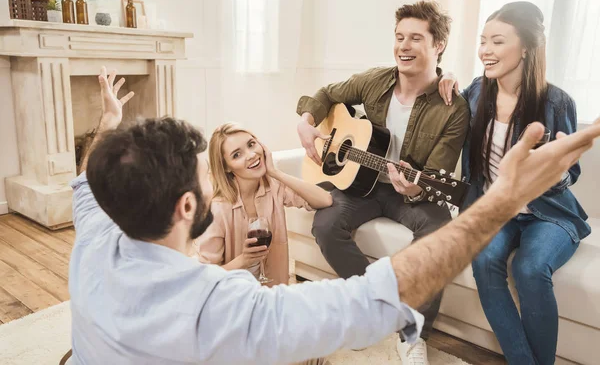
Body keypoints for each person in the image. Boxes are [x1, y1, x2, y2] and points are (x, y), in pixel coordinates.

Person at [69, 66, 600, 364]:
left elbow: (88, 179)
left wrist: (110, 123)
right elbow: (370, 300)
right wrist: (501, 200)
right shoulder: (223, 306)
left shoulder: (91, 239)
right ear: (189, 205)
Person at [295, 0, 469, 363]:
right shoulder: (376, 80)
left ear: (438, 45)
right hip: (362, 185)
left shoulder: (453, 107)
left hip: (408, 192)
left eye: (415, 38)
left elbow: (437, 171)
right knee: (326, 224)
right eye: (399, 37)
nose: (404, 46)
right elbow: (328, 94)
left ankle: (412, 333)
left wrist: (416, 187)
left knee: (439, 236)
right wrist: (306, 120)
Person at [438, 2, 590, 365]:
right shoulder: (476, 92)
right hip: (497, 210)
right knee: (484, 259)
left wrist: (550, 171)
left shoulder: (556, 102)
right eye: (483, 41)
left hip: (548, 213)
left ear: (525, 49)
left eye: (497, 42)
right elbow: (441, 121)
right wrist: (441, 78)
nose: (485, 51)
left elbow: (570, 172)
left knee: (530, 268)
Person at [192, 122, 332, 287]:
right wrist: (244, 259)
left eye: (251, 144)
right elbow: (206, 278)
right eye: (237, 155)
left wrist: (275, 172)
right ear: (227, 167)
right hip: (234, 298)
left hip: (272, 293)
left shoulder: (273, 185)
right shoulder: (217, 209)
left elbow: (325, 200)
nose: (251, 155)